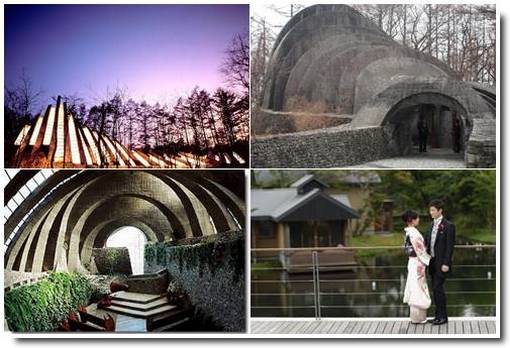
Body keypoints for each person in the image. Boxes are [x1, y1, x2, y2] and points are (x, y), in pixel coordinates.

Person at [425, 199, 456, 325]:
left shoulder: (449, 226)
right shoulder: (431, 225)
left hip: (441, 264)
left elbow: (450, 246)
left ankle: (443, 317)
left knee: (438, 288)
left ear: (440, 211)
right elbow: (427, 243)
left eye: (433, 210)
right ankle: (438, 316)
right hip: (431, 263)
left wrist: (446, 263)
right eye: (430, 210)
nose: (431, 212)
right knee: (435, 289)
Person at [402, 210, 431, 324]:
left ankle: (415, 317)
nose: (418, 220)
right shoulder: (414, 233)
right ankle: (419, 318)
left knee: (415, 286)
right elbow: (420, 250)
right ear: (412, 220)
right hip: (417, 262)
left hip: (412, 261)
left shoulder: (408, 232)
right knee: (418, 288)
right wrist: (429, 258)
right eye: (417, 218)